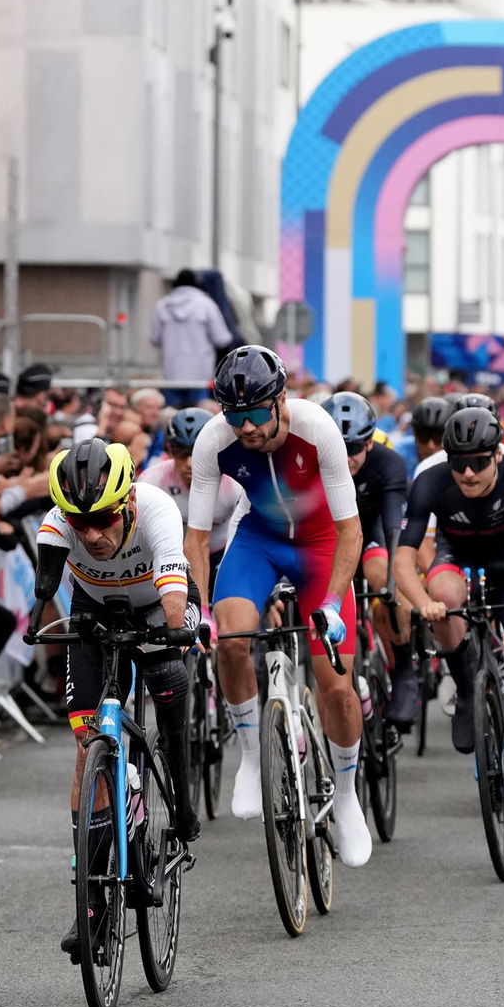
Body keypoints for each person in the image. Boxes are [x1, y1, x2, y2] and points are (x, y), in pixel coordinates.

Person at [182, 345, 373, 867]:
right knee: (232, 638)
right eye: (233, 414)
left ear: (281, 400)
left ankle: (349, 797)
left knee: (335, 684)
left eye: (254, 414)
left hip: (320, 547)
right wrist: (197, 607)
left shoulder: (317, 429)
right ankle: (249, 757)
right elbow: (196, 540)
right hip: (259, 542)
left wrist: (333, 602)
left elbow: (350, 531)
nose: (244, 427)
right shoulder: (214, 441)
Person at [29, 440, 201, 958]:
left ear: (126, 502)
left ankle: (183, 797)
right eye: (81, 524)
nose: (94, 534)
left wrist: (176, 633)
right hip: (94, 611)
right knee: (88, 744)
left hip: (158, 605)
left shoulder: (157, 510)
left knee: (169, 678)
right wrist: (43, 634)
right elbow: (43, 590)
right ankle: (94, 905)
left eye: (103, 518)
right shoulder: (58, 525)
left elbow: (174, 589)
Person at [393, 407, 504, 838]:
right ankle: (469, 689)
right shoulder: (431, 481)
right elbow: (402, 559)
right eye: (459, 464)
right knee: (444, 598)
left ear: (497, 457)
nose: (468, 473)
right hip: (457, 557)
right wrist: (421, 603)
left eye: (478, 463)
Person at [322, 392, 416, 729]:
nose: (346, 459)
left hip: (374, 533)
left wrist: (393, 586)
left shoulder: (388, 464)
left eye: (354, 450)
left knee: (383, 573)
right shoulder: (314, 464)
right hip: (331, 540)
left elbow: (394, 526)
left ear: (369, 445)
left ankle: (404, 672)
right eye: (338, 449)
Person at [136, 407, 246, 593]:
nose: (189, 462)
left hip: (222, 555)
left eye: (197, 451)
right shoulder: (152, 480)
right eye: (181, 451)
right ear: (169, 449)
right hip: (171, 557)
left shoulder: (235, 483)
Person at [149, 269, 234, 406]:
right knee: (200, 417)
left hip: (172, 375)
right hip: (200, 376)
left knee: (173, 417)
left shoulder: (162, 306)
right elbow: (222, 339)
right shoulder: (207, 305)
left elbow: (154, 339)